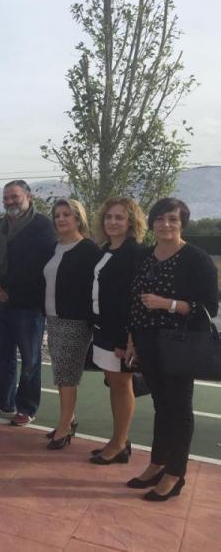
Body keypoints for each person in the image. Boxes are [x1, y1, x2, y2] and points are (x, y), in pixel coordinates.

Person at [125, 198, 218, 501]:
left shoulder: (197, 259)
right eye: (160, 219)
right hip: (148, 342)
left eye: (173, 220)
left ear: (183, 224)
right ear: (151, 222)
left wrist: (170, 305)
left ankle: (175, 475)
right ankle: (157, 463)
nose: (166, 225)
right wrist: (132, 339)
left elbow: (209, 308)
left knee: (179, 410)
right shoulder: (143, 256)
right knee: (162, 406)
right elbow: (135, 301)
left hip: (180, 343)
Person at [0, 180, 57, 426]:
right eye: (6, 198)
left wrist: (3, 284)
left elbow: (34, 266)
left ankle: (26, 407)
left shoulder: (43, 227)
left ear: (28, 196)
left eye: (14, 197)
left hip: (28, 304)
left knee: (30, 360)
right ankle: (3, 400)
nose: (9, 202)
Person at [89, 198, 147, 465]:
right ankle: (118, 440)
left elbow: (135, 298)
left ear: (131, 223)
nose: (112, 222)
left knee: (122, 385)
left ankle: (120, 443)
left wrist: (128, 336)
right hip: (102, 328)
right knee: (113, 384)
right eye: (109, 217)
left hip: (120, 333)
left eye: (119, 218)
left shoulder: (135, 253)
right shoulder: (105, 249)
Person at [42, 199, 101, 449]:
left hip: (75, 321)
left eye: (67, 214)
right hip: (53, 319)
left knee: (67, 376)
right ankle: (68, 419)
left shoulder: (88, 249)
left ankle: (64, 427)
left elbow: (95, 288)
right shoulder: (55, 248)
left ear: (78, 218)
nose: (61, 219)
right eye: (57, 215)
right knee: (61, 373)